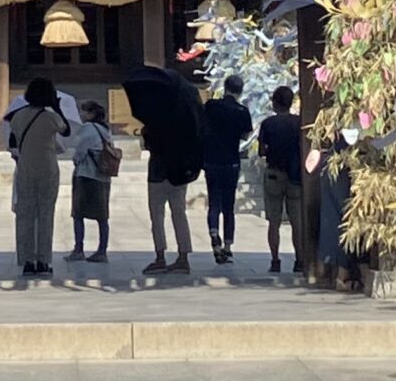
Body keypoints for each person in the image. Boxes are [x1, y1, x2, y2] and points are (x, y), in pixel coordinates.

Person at [122, 60, 202, 276]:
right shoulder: (186, 115)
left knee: (157, 215)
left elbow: (149, 145)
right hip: (180, 169)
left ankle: (160, 256)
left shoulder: (155, 117)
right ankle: (183, 256)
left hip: (158, 170)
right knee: (179, 213)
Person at [3, 77, 70, 277]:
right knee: (45, 214)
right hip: (48, 167)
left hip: (25, 167)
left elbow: (13, 139)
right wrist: (57, 108)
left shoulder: (17, 116)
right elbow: (67, 131)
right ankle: (43, 260)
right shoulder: (51, 117)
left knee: (25, 215)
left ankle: (27, 260)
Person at [199, 75, 255, 264]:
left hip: (211, 160)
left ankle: (214, 237)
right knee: (228, 205)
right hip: (231, 160)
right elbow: (246, 134)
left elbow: (202, 126)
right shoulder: (241, 111)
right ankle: (228, 246)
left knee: (214, 202)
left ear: (225, 87)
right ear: (240, 90)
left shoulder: (211, 106)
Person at [256, 84, 304, 274]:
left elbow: (261, 151)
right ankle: (300, 260)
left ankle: (275, 260)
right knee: (297, 222)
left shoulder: (268, 124)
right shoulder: (299, 123)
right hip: (295, 175)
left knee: (273, 222)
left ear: (275, 103)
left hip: (274, 173)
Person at [64, 100, 119, 263]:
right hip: (103, 176)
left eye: (85, 112)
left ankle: (79, 249)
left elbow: (80, 151)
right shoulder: (105, 130)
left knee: (78, 213)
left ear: (91, 113)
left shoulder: (88, 129)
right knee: (102, 216)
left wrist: (75, 159)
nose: (82, 115)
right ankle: (102, 250)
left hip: (87, 175)